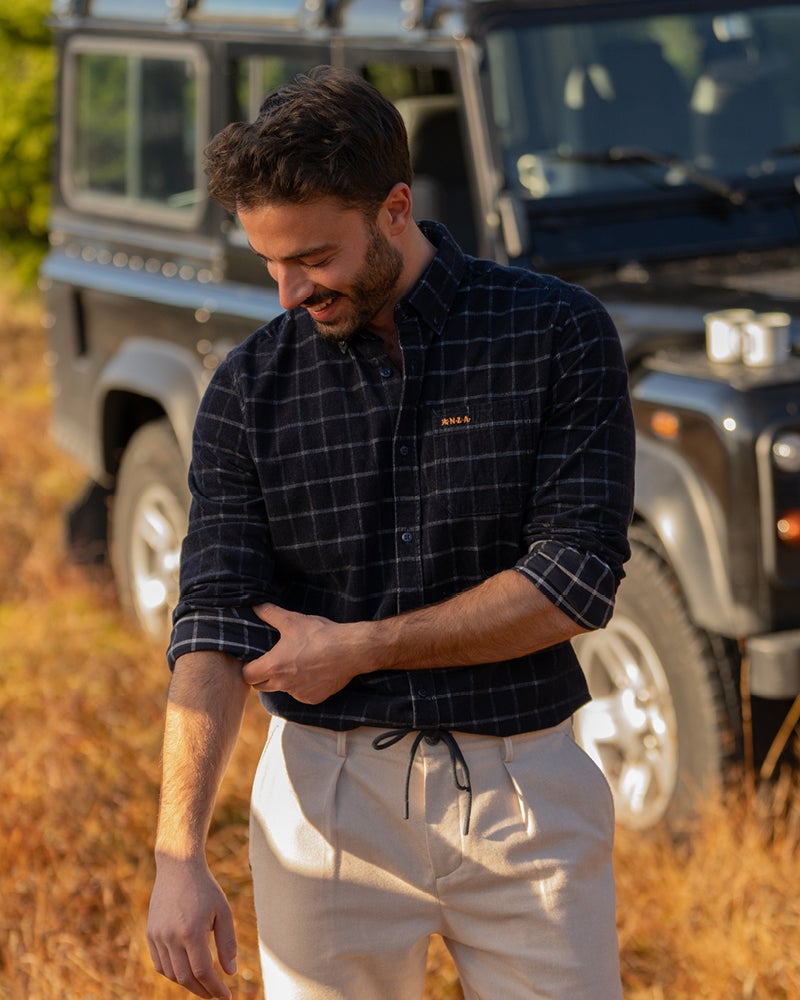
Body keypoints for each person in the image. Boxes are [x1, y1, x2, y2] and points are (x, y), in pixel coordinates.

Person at [146, 65, 635, 1000]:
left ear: (396, 209)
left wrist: (359, 648)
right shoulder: (247, 390)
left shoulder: (557, 332)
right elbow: (212, 622)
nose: (289, 292)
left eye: (314, 259)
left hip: (525, 789)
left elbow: (575, 580)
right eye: (271, 264)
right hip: (323, 803)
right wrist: (178, 855)